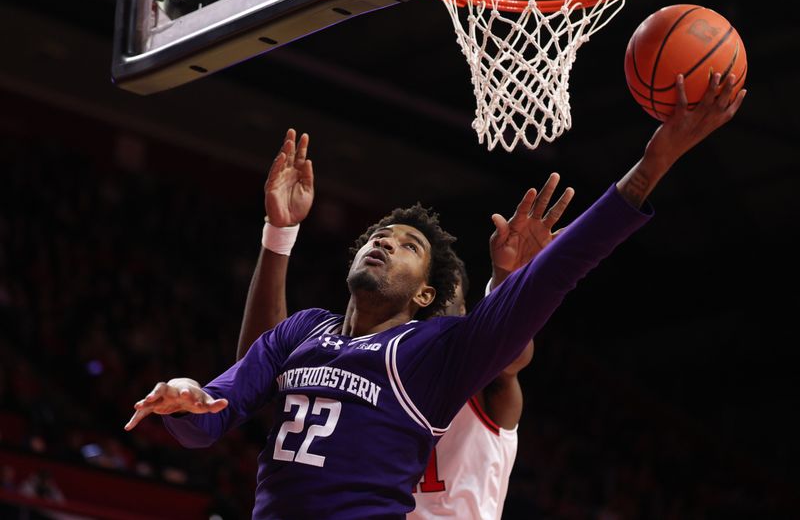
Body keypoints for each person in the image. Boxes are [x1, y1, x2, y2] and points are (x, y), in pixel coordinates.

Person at [125, 73, 746, 519]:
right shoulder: (301, 332)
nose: (384, 244)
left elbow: (553, 282)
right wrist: (188, 399)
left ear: (426, 293)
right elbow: (215, 414)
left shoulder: (433, 352)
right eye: (378, 236)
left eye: (406, 246)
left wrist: (652, 163)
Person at [233, 128, 569, 518]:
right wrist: (278, 234)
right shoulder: (371, 365)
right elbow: (255, 365)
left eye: (445, 304)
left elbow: (511, 352)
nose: (431, 321)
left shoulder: (479, 374)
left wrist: (512, 282)